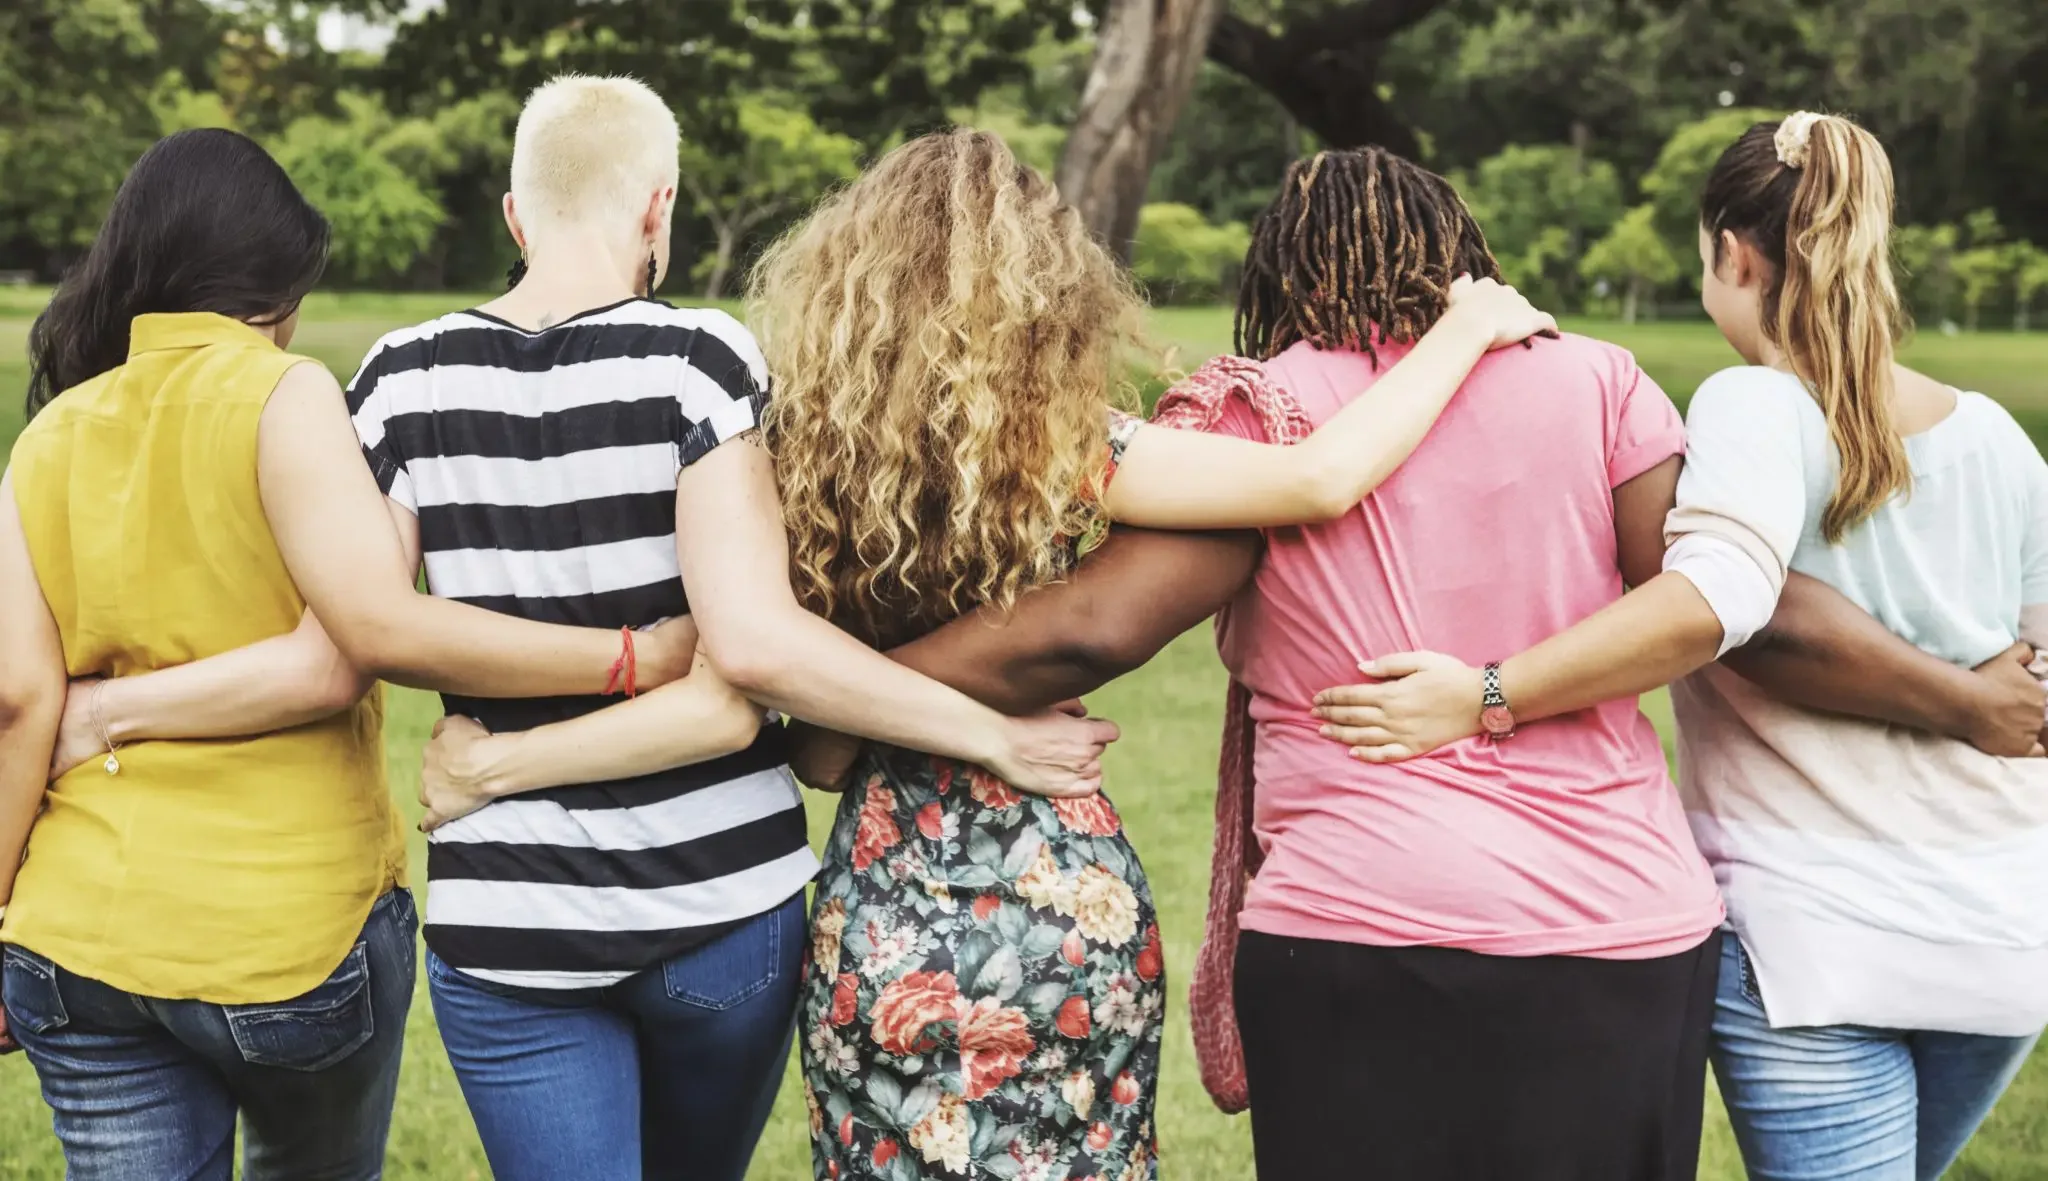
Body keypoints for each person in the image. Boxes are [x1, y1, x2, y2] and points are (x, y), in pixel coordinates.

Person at [1327, 113, 2048, 1180]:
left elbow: (1718, 596)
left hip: (1812, 940)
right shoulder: (1992, 434)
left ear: (1731, 254)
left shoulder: (1751, 403)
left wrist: (1488, 690)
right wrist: (1965, 701)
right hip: (1999, 934)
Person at [0, 127, 725, 1181]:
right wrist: (629, 656)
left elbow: (21, 700)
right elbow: (359, 639)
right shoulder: (283, 394)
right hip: (285, 934)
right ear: (274, 287)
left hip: (76, 941)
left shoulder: (50, 432)